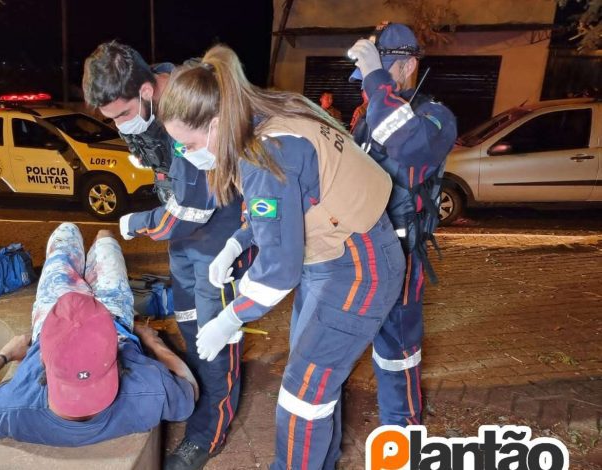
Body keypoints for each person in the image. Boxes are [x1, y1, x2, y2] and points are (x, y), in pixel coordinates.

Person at [158, 45, 406, 469]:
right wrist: (237, 243)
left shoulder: (264, 153)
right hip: (340, 254)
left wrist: (229, 318)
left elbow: (278, 272)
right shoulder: (269, 118)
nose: (187, 156)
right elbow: (284, 205)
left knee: (302, 393)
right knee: (314, 383)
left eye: (188, 145)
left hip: (357, 264)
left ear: (216, 124)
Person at [82, 42, 253, 469]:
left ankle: (207, 433)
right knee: (190, 323)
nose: (121, 125)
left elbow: (189, 212)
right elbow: (162, 174)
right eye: (111, 119)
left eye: (123, 114)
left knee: (216, 336)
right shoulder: (144, 99)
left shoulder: (187, 108)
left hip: (217, 238)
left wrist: (136, 224)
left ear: (146, 90)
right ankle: (200, 395)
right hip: (184, 239)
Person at [0, 223, 197, 446]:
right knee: (106, 237)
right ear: (117, 365)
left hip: (56, 311)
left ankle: (76, 232)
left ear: (43, 363)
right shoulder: (146, 393)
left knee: (67, 231)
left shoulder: (14, 408)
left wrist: (4, 354)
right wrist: (154, 342)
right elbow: (191, 390)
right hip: (113, 316)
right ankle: (99, 237)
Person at [348, 22, 458, 426]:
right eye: (365, 75)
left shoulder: (436, 117)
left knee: (397, 350)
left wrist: (377, 80)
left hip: (400, 254)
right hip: (356, 250)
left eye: (379, 70)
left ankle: (402, 431)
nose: (367, 85)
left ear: (409, 65)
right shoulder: (368, 116)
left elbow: (408, 146)